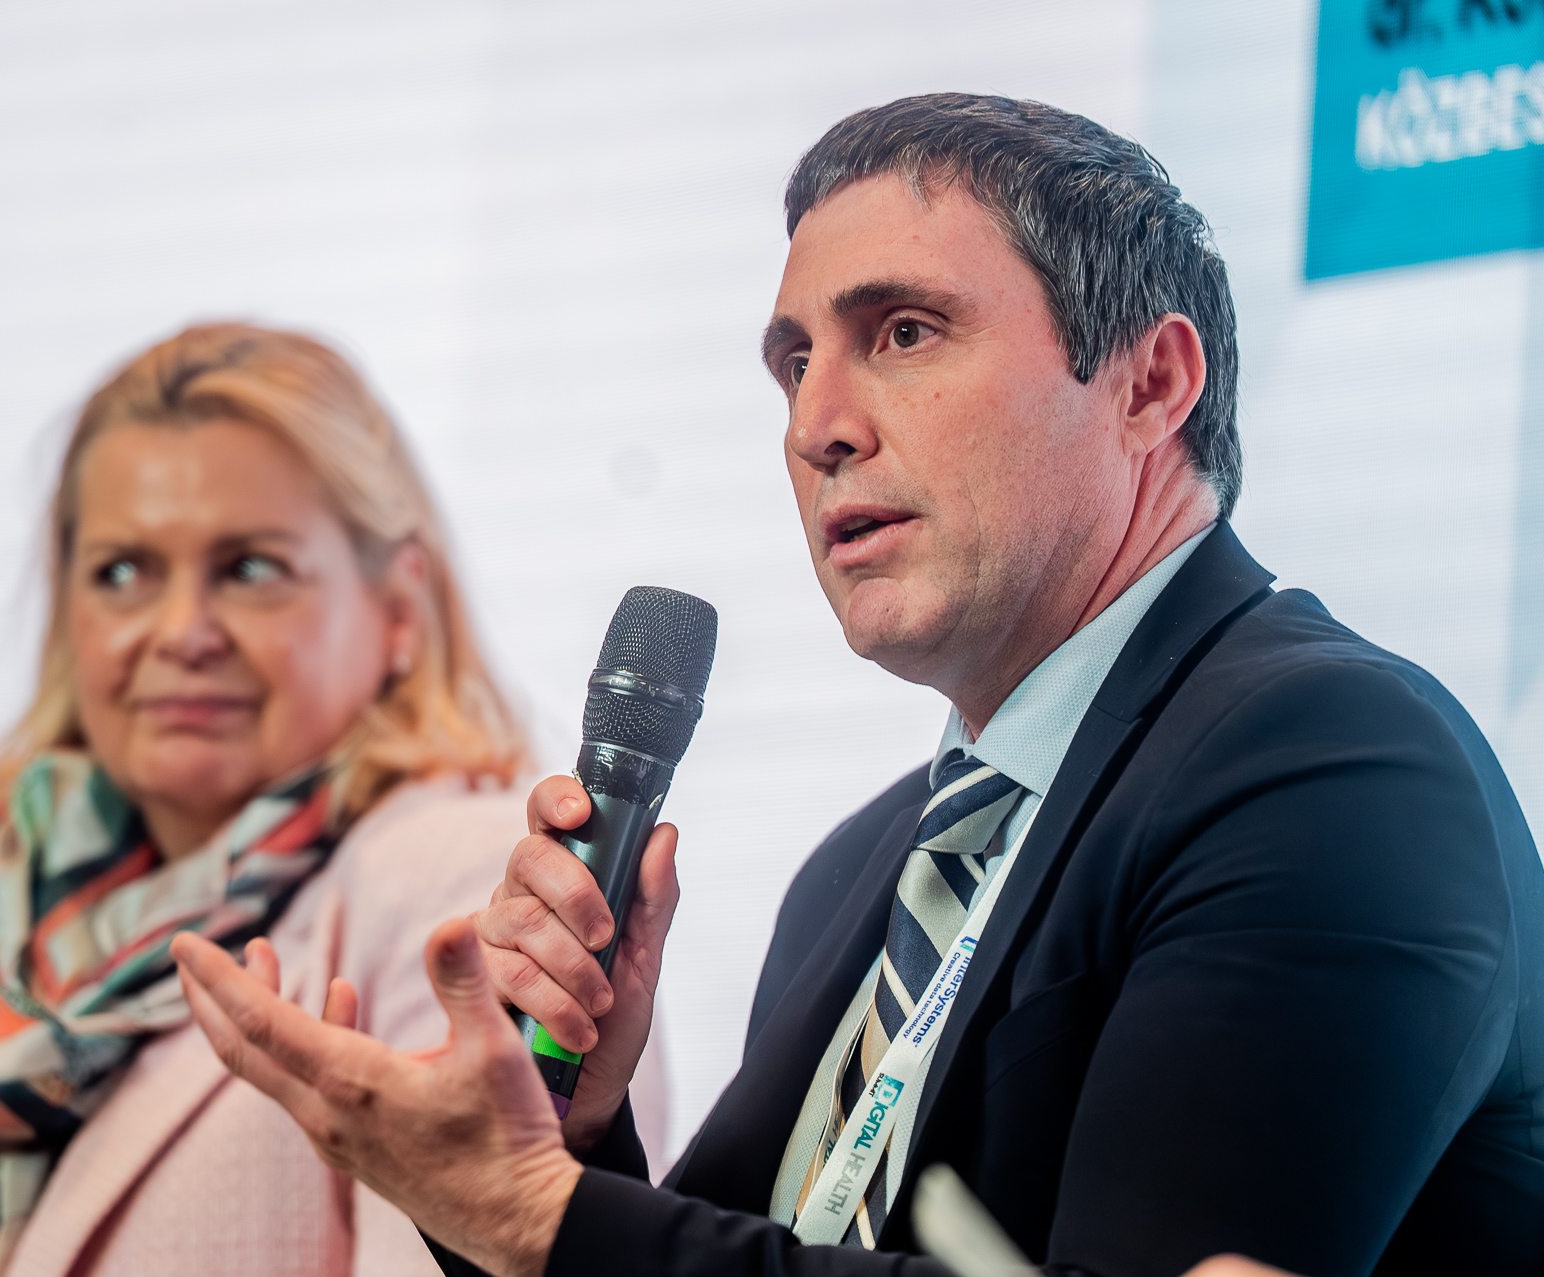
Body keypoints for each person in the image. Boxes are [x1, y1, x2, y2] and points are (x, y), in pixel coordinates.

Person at [172, 95, 1544, 1277]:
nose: (816, 425)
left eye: (903, 332)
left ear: (1150, 384)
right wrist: (568, 1142)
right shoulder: (859, 870)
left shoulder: (1333, 766)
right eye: (793, 362)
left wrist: (539, 1217)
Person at [0, 322, 573, 1277]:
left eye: (250, 568)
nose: (181, 631)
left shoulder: (466, 883)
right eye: (123, 572)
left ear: (398, 608)